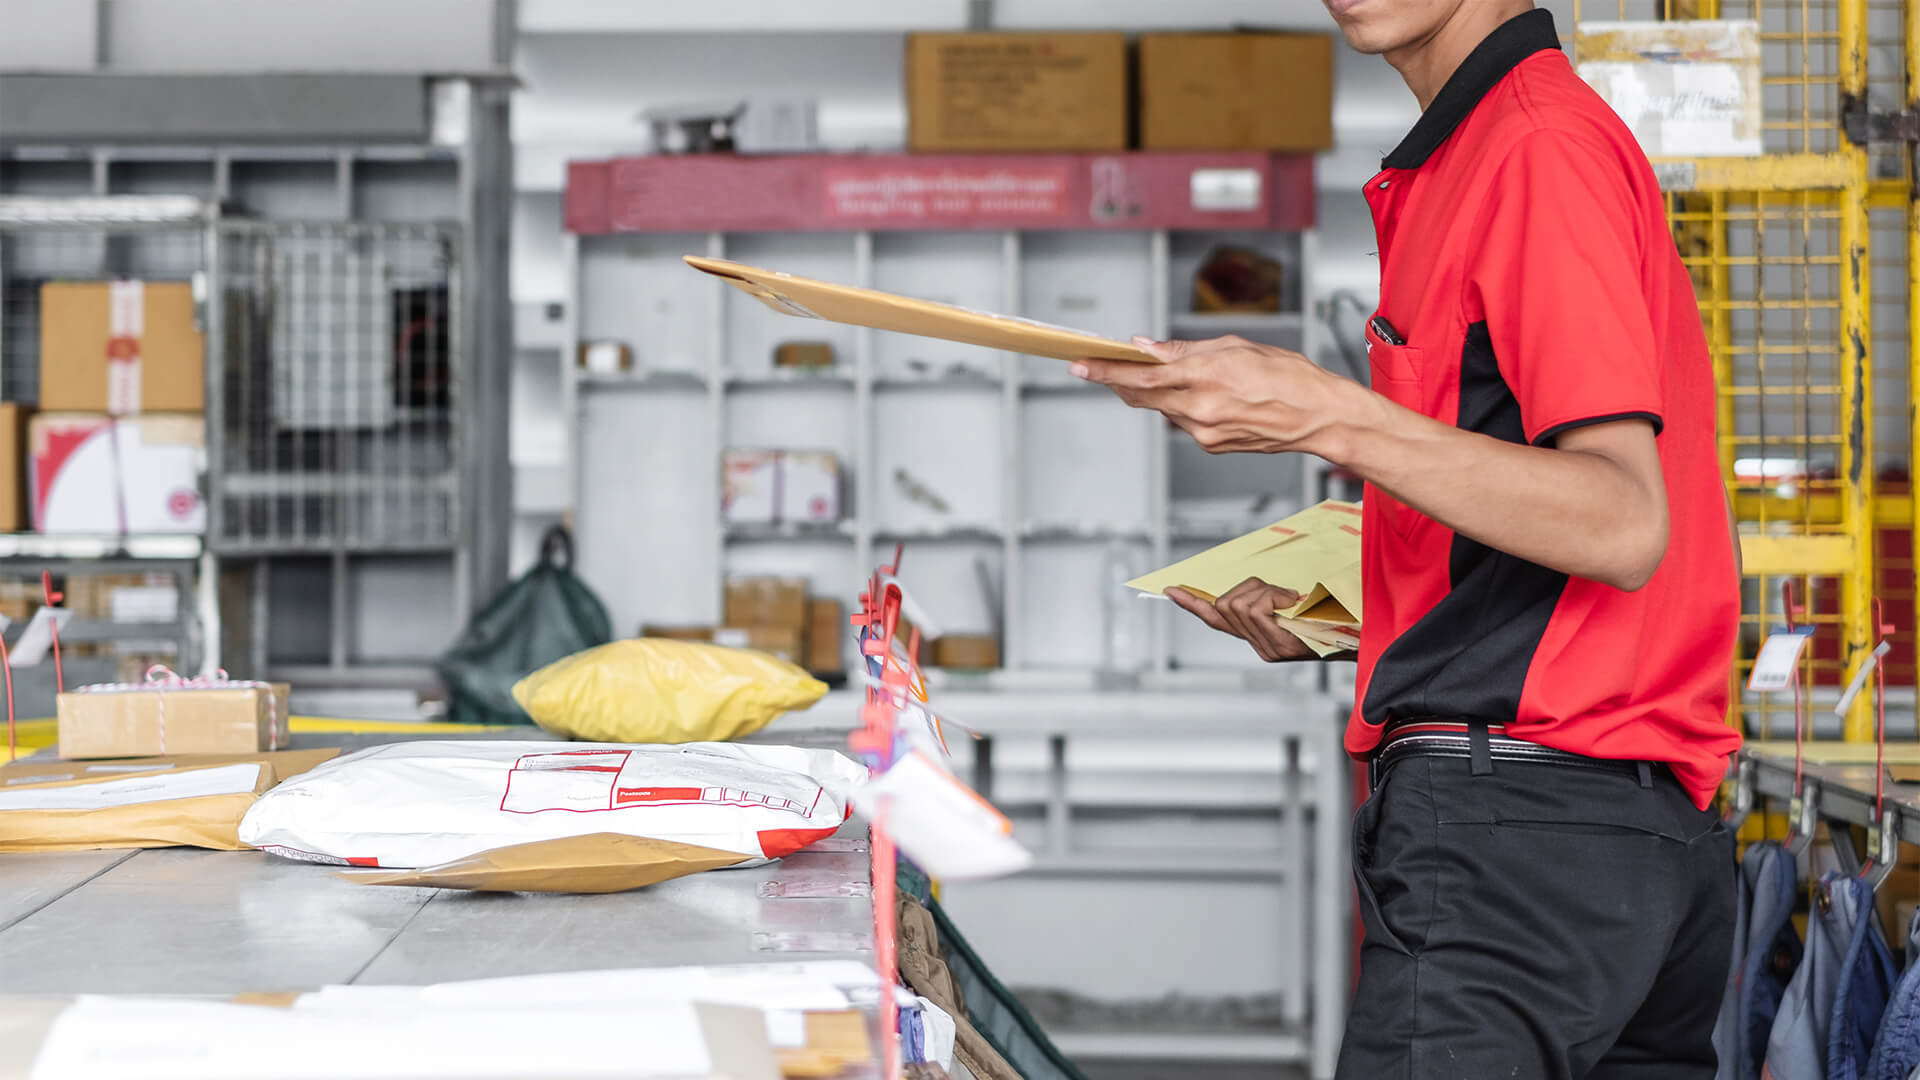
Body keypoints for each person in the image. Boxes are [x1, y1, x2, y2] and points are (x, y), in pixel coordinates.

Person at [1070, 1, 1743, 1076]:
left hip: (1525, 831)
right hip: (1605, 832)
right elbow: (1525, 487)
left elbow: (1620, 519)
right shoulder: (1475, 154)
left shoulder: (1533, 148)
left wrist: (1325, 412)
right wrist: (1357, 601)